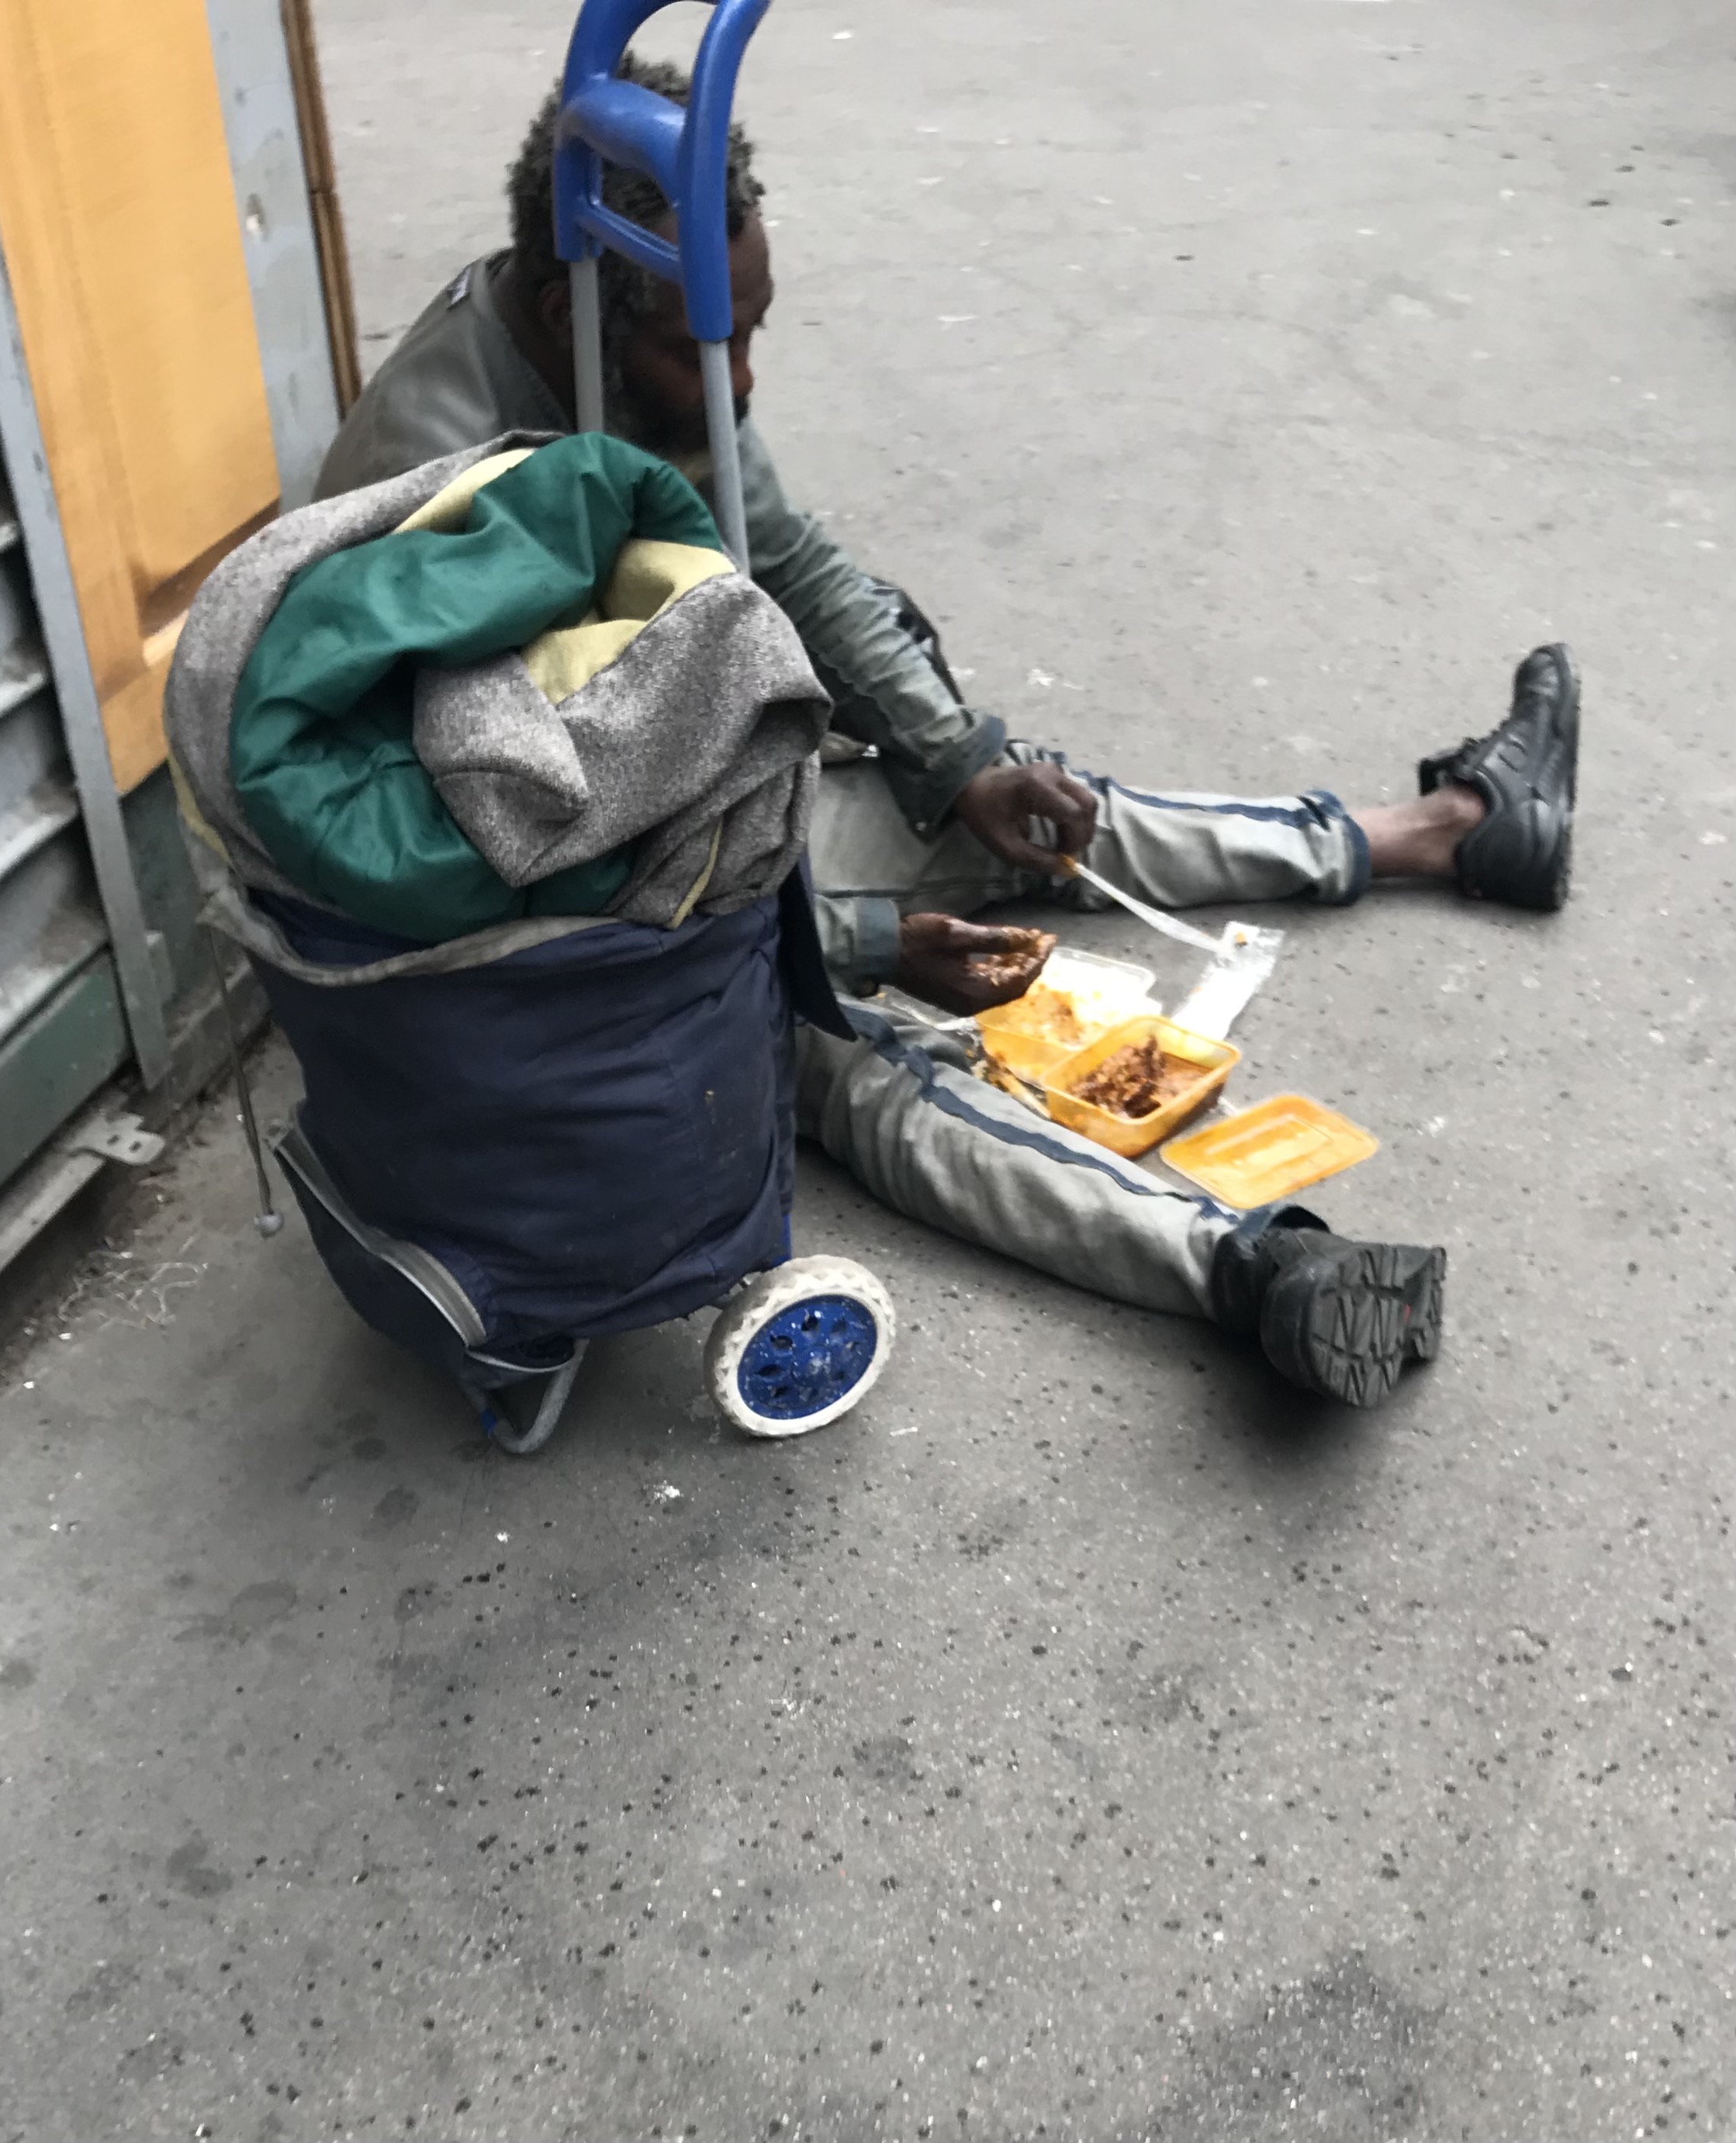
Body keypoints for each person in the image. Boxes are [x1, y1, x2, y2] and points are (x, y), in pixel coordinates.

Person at [310, 59, 1581, 1410]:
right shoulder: (437, 494)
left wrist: (957, 757)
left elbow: (786, 557)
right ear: (579, 301)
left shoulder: (629, 350)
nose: (741, 380)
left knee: (1010, 814)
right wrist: (854, 946)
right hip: (549, 970)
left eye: (752, 330)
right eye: (706, 347)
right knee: (856, 1058)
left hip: (684, 824)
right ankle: (1252, 1269)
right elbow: (541, 890)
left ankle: (1442, 834)